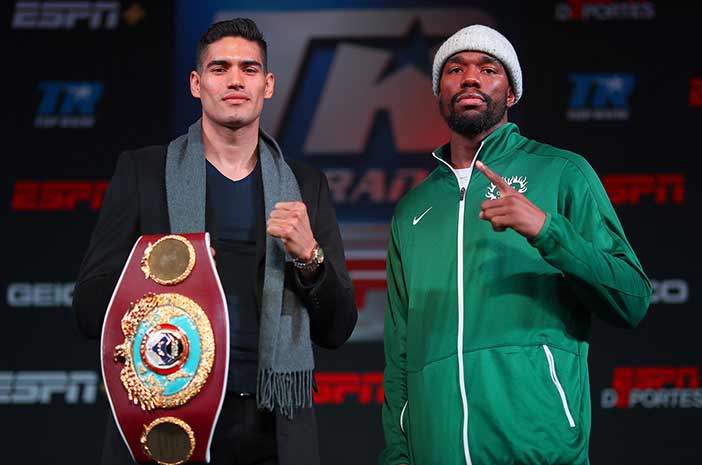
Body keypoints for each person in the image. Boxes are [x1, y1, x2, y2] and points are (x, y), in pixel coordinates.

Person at [72, 18, 357, 465]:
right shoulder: (145, 174)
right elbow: (89, 310)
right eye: (220, 68)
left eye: (249, 69)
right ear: (196, 82)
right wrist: (157, 274)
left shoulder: (305, 186)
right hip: (166, 418)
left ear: (267, 84)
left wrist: (310, 259)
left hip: (272, 427)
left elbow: (337, 329)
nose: (235, 80)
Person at [380, 24, 650, 465]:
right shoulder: (413, 208)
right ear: (438, 92)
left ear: (510, 94)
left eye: (488, 69)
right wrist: (398, 455)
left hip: (538, 447)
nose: (470, 78)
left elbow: (632, 298)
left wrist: (547, 230)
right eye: (455, 69)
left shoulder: (562, 171)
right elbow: (399, 352)